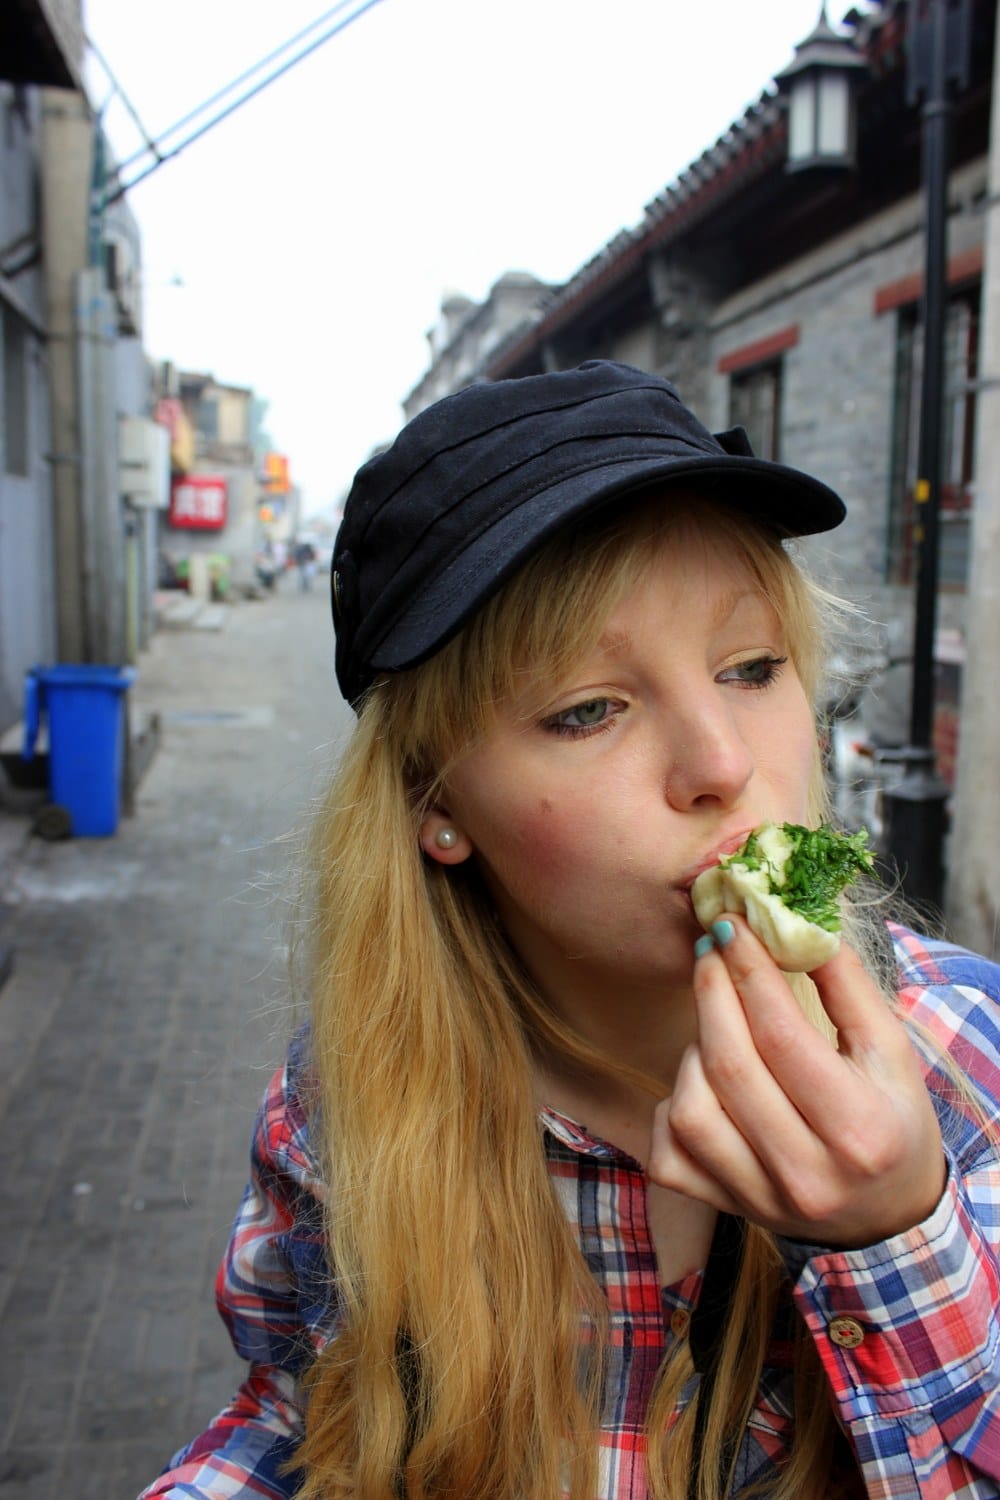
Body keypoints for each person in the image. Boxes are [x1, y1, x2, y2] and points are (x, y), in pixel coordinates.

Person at [138, 361, 1000, 1500]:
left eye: (752, 668)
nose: (722, 766)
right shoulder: (342, 1113)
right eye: (588, 709)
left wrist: (895, 1232)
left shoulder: (967, 1059)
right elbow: (293, 1423)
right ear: (434, 806)